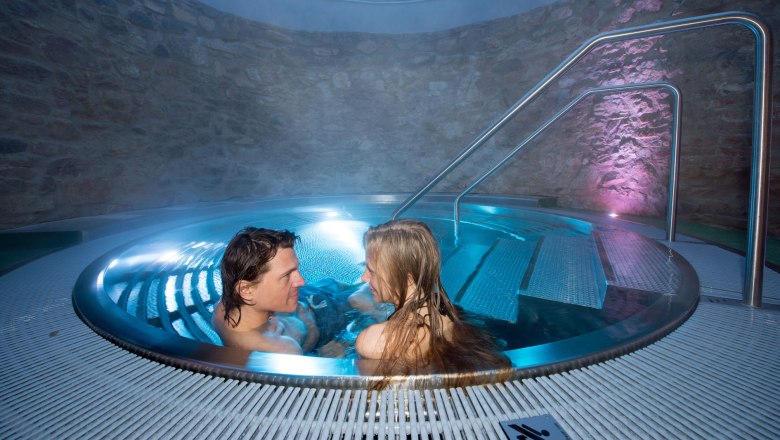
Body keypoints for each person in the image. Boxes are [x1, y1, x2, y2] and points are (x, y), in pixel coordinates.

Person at [355, 219, 511, 384]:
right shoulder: (443, 307)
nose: (363, 277)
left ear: (407, 278)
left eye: (371, 271)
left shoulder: (372, 340)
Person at [212, 227, 379, 356]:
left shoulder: (222, 308)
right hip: (325, 317)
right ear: (246, 290)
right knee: (358, 299)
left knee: (343, 287)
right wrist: (326, 340)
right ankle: (375, 275)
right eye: (287, 275)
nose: (301, 280)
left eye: (295, 270)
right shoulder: (281, 349)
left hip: (301, 298)